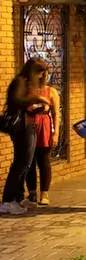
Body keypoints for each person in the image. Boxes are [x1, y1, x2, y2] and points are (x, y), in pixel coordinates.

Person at [1, 59, 49, 215]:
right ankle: (8, 200)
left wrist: (37, 109)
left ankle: (18, 197)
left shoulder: (28, 83)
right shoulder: (20, 81)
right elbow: (17, 100)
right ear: (32, 71)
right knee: (20, 163)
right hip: (21, 127)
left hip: (29, 125)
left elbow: (25, 106)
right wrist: (37, 99)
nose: (40, 77)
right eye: (39, 73)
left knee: (27, 164)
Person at [26, 62, 59, 206]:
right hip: (30, 125)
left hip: (45, 126)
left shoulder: (51, 91)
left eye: (43, 73)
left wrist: (55, 133)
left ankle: (44, 193)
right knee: (29, 161)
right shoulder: (28, 90)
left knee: (44, 160)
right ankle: (32, 193)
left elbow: (56, 114)